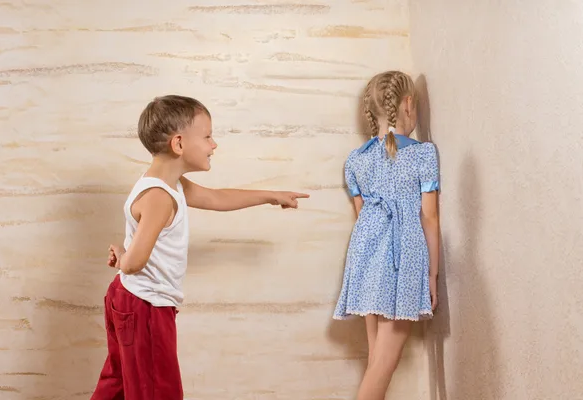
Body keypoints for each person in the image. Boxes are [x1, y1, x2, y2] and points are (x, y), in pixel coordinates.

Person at [91, 95, 309, 400]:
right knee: (158, 392)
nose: (214, 144)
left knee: (119, 384)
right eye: (207, 136)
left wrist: (271, 195)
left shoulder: (167, 183)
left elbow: (216, 198)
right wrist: (123, 255)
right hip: (146, 307)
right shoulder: (160, 197)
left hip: (128, 298)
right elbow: (135, 262)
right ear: (178, 144)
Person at [332, 71, 440, 399]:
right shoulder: (423, 154)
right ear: (408, 105)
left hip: (365, 258)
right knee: (383, 366)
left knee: (376, 362)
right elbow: (429, 217)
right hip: (400, 260)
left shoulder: (356, 161)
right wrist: (431, 275)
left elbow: (361, 213)